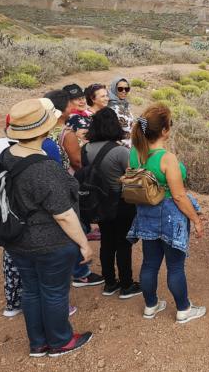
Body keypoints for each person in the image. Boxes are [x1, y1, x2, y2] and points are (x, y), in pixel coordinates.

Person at [0, 99, 93, 357]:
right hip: (50, 242)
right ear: (43, 131)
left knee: (31, 290)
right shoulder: (44, 168)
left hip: (18, 240)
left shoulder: (7, 155)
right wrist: (84, 244)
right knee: (54, 292)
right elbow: (63, 214)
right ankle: (60, 341)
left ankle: (38, 343)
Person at [0, 104, 64, 319]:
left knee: (21, 274)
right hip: (38, 230)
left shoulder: (1, 150)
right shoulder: (43, 156)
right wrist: (82, 243)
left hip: (8, 220)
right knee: (47, 285)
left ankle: (14, 305)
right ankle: (57, 337)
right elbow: (60, 208)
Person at [127, 103, 206, 324]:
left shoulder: (135, 153)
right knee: (175, 266)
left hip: (145, 212)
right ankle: (183, 309)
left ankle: (150, 305)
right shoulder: (166, 158)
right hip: (170, 215)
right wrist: (195, 219)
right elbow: (179, 197)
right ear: (164, 130)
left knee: (150, 263)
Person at [44, 90, 104, 288]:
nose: (74, 107)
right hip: (67, 183)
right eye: (70, 104)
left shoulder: (44, 131)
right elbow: (77, 162)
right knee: (74, 224)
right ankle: (80, 273)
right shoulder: (66, 134)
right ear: (61, 109)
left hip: (46, 183)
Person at [84, 107, 141, 299]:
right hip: (121, 203)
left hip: (99, 203)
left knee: (106, 242)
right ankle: (126, 284)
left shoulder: (86, 149)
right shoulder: (120, 151)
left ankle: (109, 282)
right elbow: (134, 176)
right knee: (123, 244)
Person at [107, 77, 135, 146]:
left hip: (131, 145)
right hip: (120, 146)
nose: (124, 91)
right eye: (120, 89)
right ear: (114, 89)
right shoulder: (110, 107)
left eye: (127, 89)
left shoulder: (124, 104)